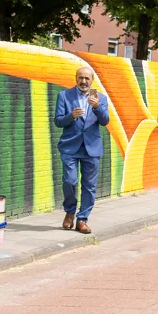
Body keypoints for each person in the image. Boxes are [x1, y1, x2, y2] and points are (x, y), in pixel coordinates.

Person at [53, 66, 111, 234]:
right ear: (76, 78)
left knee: (89, 186)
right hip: (70, 146)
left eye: (87, 78)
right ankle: (70, 211)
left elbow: (105, 121)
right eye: (81, 78)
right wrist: (71, 116)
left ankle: (82, 219)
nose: (84, 81)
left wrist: (97, 107)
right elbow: (58, 121)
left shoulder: (100, 98)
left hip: (91, 147)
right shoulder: (64, 96)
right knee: (70, 181)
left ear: (92, 80)